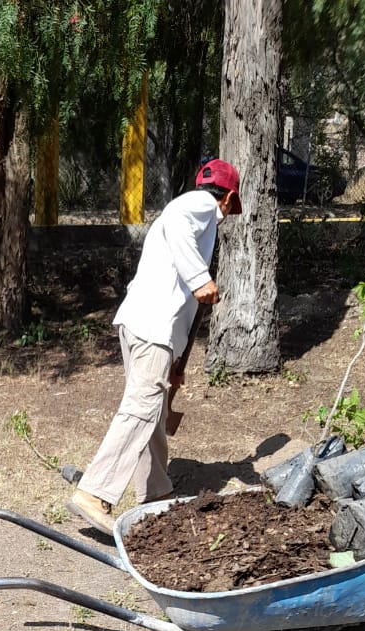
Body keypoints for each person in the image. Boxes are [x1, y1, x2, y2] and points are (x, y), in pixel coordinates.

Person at [67, 158, 243, 536]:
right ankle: (94, 493)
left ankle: (156, 492)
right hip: (153, 328)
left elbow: (183, 297)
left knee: (154, 410)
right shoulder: (198, 207)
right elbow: (178, 222)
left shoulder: (194, 222)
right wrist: (201, 278)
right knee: (142, 407)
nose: (228, 214)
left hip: (145, 325)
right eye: (231, 206)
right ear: (227, 197)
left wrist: (177, 360)